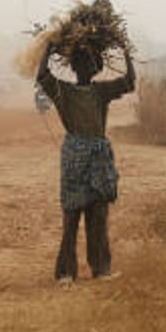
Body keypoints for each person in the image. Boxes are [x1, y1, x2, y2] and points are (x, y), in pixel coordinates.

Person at [36, 43, 136, 284]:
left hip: (95, 158)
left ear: (95, 67)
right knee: (72, 215)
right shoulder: (65, 91)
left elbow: (129, 81)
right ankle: (67, 272)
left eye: (89, 62)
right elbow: (42, 76)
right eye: (83, 62)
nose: (87, 66)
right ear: (77, 67)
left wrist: (125, 52)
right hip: (77, 158)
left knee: (97, 214)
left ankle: (99, 269)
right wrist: (48, 50)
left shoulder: (99, 91)